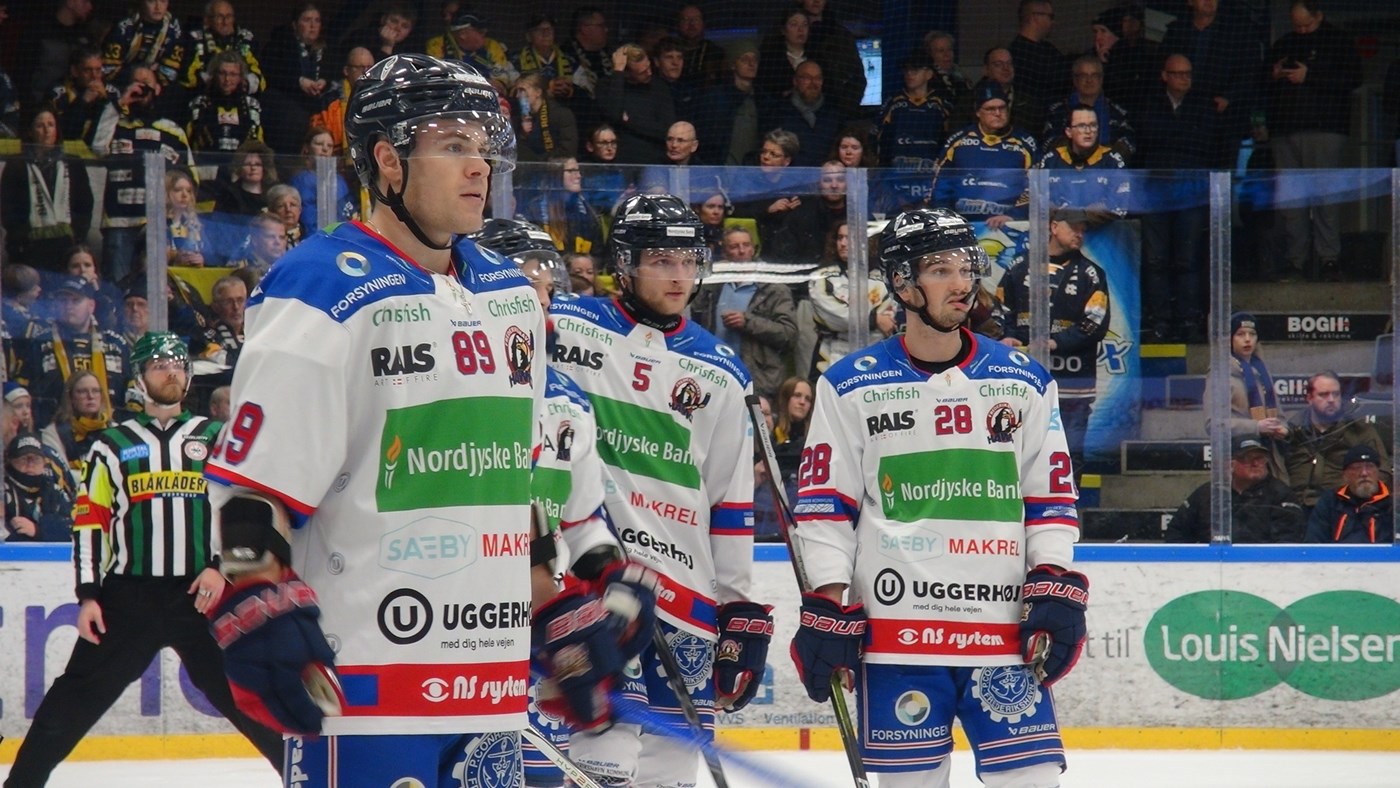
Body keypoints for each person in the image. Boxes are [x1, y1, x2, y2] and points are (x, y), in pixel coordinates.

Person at [200, 54, 649, 786]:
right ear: (387, 160)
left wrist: (552, 601)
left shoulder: (508, 295)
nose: (480, 168)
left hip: (493, 688)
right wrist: (253, 584)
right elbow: (258, 481)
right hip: (369, 687)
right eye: (452, 146)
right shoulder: (321, 284)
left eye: (484, 147)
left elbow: (511, 478)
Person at [790, 207, 1085, 787]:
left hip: (1003, 634)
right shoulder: (850, 384)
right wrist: (827, 603)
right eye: (941, 269)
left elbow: (1050, 498)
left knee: (1034, 780)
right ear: (902, 282)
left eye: (967, 267)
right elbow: (826, 507)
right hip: (898, 636)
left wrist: (1054, 580)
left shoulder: (1024, 380)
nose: (961, 283)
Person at [548, 193, 772, 788]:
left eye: (688, 261)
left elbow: (728, 500)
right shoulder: (565, 326)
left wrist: (740, 607)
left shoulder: (722, 370)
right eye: (661, 260)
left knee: (672, 774)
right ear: (624, 262)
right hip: (598, 583)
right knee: (601, 760)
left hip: (689, 598)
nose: (679, 277)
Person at [2, 332, 285, 787]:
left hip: (201, 596)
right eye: (159, 366)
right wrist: (88, 595)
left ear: (188, 375)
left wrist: (220, 566)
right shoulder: (111, 445)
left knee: (248, 697)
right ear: (139, 377)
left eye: (177, 365)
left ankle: (306, 779)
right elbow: (91, 521)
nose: (170, 372)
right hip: (128, 598)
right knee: (71, 702)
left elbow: (242, 508)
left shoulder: (215, 437)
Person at [467, 217, 618, 788]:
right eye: (532, 279)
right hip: (458, 632)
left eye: (550, 282)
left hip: (536, 635)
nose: (547, 294)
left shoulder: (569, 402)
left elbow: (579, 520)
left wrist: (606, 571)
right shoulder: (449, 381)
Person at [997, 209, 1110, 479]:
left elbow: (1096, 322)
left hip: (1073, 385)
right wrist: (1006, 336)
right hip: (1024, 382)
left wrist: (1055, 343)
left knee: (1070, 454)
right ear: (1054, 226)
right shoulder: (1018, 266)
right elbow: (1000, 309)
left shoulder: (1091, 274)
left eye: (1083, 229)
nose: (1080, 234)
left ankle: (1068, 516)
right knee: (1018, 452)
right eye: (1074, 228)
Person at [1264, 1, 1361, 282]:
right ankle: (1296, 261)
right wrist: (1274, 74)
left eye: (1307, 24)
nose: (1302, 30)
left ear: (1319, 15)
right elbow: (1262, 82)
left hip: (1325, 129)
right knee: (1292, 201)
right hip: (1286, 131)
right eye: (1297, 25)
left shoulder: (1339, 41)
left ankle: (1329, 259)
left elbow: (1354, 77)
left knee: (1325, 197)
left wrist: (1311, 75)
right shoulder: (1284, 43)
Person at [690, 225, 799, 400]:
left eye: (746, 245)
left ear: (753, 249)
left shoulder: (774, 288)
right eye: (734, 247)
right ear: (725, 252)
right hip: (716, 376)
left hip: (757, 380)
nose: (741, 251)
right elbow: (694, 315)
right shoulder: (715, 285)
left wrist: (747, 322)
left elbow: (789, 335)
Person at [15, 275, 132, 430]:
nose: (68, 306)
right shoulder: (39, 343)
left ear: (91, 306)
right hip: (53, 431)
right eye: (63, 301)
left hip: (109, 430)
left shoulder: (116, 344)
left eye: (76, 300)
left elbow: (131, 392)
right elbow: (22, 390)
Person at [933, 80, 1038, 229]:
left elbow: (1036, 186)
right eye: (990, 109)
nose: (997, 113)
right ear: (978, 112)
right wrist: (945, 218)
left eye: (1002, 108)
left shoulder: (1026, 143)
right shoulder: (958, 141)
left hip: (1010, 224)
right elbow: (940, 184)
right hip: (961, 226)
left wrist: (1015, 215)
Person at [801, 219, 897, 380]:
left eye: (850, 238)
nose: (843, 243)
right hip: (831, 355)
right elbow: (832, 316)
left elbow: (887, 317)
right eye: (840, 238)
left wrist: (860, 318)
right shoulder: (823, 275)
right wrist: (873, 319)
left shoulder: (882, 276)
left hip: (875, 354)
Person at [0, 107, 93, 270]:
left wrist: (77, 235)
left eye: (51, 125)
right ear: (30, 131)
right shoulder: (17, 164)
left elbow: (84, 203)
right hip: (29, 245)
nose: (46, 131)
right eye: (40, 126)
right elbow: (8, 205)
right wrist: (21, 236)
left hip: (66, 244)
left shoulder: (72, 162)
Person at [1165, 436, 1306, 543]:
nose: (1256, 463)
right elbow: (1176, 534)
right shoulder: (1208, 494)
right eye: (1248, 458)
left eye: (1260, 458)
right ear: (1230, 464)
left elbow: (1288, 544)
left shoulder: (1282, 496)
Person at [1283, 371, 1390, 507]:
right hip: (1297, 507)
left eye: (1336, 394)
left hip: (1342, 507)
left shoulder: (1358, 430)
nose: (1331, 400)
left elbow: (1383, 472)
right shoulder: (1293, 431)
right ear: (1309, 398)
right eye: (1324, 395)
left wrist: (1354, 497)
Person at [1221, 311, 1289, 480]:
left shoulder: (1263, 373)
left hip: (1269, 456)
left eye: (1252, 334)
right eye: (1240, 334)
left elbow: (1279, 416)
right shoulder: (1220, 375)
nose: (1247, 339)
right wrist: (1257, 427)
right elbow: (1214, 424)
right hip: (1239, 458)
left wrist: (1282, 429)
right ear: (1230, 339)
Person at [1035, 103, 1130, 216]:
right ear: (1069, 132)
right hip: (1061, 229)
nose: (1088, 131)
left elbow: (1120, 206)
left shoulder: (1112, 160)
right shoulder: (1051, 160)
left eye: (1093, 125)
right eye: (1081, 125)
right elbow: (1039, 203)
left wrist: (1080, 217)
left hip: (1101, 231)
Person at [1306, 445, 1394, 543]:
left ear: (1378, 472)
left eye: (1369, 466)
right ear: (1345, 476)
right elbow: (1315, 542)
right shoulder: (1330, 502)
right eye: (1356, 468)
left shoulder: (1392, 503)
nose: (1364, 473)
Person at [520, 157, 604, 257]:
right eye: (571, 171)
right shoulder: (535, 210)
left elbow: (598, 255)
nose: (579, 176)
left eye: (578, 171)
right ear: (556, 175)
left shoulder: (588, 212)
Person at [186, 50, 264, 154]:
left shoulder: (251, 105)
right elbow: (191, 143)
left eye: (233, 74)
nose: (227, 79)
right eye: (222, 73)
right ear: (214, 75)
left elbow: (257, 145)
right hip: (205, 164)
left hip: (240, 166)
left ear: (241, 78)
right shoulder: (199, 104)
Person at [179, 0, 264, 95]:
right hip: (204, 95)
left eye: (229, 16)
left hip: (241, 96)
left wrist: (241, 83)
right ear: (207, 20)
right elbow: (186, 77)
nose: (225, 22)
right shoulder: (194, 40)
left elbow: (260, 78)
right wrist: (214, 83)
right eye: (219, 17)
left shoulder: (246, 40)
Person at [3, 431, 75, 542]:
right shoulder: (4, 491)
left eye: (36, 459)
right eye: (24, 459)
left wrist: (38, 531)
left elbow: (72, 529)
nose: (30, 464)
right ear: (11, 461)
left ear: (44, 463)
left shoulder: (53, 491)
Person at [38, 369, 110, 479]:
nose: (90, 396)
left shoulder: (115, 429)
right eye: (82, 391)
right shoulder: (54, 433)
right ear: (70, 397)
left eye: (95, 391)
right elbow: (61, 475)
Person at [288, 125, 358, 235]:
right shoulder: (298, 181)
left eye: (329, 146)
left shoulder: (339, 180)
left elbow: (349, 212)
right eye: (319, 144)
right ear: (307, 148)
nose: (325, 149)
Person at [166, 169, 212, 268]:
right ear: (166, 193)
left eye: (189, 191)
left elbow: (210, 253)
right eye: (178, 190)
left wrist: (202, 259)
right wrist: (175, 259)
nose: (185, 195)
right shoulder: (158, 224)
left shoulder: (196, 224)